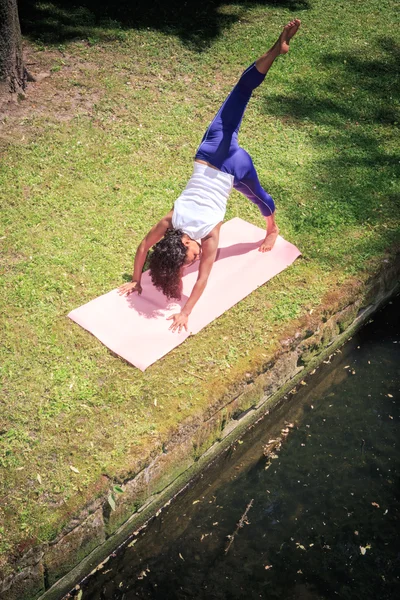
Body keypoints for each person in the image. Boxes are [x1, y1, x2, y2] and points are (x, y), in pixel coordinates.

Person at [119, 19, 301, 333]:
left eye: (189, 257)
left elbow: (201, 279)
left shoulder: (208, 235)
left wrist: (180, 309)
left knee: (260, 192)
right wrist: (137, 281)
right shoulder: (171, 222)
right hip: (213, 154)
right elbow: (144, 248)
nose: (196, 257)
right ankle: (271, 226)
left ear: (185, 242)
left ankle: (278, 46)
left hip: (221, 154)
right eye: (192, 260)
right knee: (258, 194)